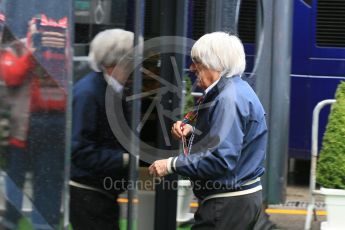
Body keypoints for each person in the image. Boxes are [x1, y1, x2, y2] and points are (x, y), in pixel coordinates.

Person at [149, 32, 268, 230]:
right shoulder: (238, 90)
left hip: (226, 204)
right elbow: (232, 142)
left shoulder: (227, 99)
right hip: (237, 200)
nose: (192, 67)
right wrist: (193, 131)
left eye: (197, 61)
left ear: (216, 63)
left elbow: (220, 159)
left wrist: (171, 164)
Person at [70, 29, 133, 230]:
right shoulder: (89, 93)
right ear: (115, 62)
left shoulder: (109, 89)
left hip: (100, 193)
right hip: (89, 195)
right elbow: (79, 151)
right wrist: (125, 159)